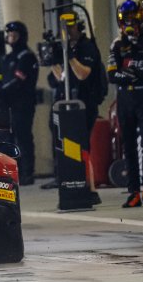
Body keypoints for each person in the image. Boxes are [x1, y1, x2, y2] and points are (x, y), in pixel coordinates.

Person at [42, 11, 104, 205]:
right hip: (64, 104)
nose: (68, 31)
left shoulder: (87, 47)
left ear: (78, 26)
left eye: (71, 27)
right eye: (65, 28)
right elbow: (59, 78)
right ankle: (68, 182)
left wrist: (69, 56)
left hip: (83, 104)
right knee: (63, 145)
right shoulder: (63, 48)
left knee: (82, 147)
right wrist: (54, 59)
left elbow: (82, 74)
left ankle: (90, 188)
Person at [107, 0, 143, 207]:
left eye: (133, 17)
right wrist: (136, 73)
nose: (130, 22)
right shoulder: (117, 44)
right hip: (125, 99)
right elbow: (112, 75)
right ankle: (134, 192)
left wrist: (131, 71)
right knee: (127, 145)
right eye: (126, 18)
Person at [0, 21, 39, 185]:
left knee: (23, 138)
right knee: (7, 139)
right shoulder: (8, 57)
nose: (11, 38)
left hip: (22, 104)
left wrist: (2, 90)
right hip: (7, 105)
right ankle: (12, 173)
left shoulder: (26, 56)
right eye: (9, 35)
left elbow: (19, 80)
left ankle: (27, 173)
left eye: (14, 35)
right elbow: (0, 76)